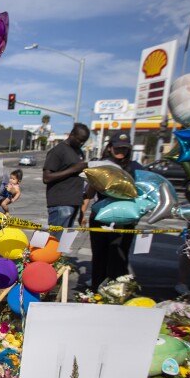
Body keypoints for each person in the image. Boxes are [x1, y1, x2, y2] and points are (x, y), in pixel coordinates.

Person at [79, 134, 144, 290]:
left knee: (119, 257)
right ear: (110, 148)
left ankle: (116, 290)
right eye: (117, 147)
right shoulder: (102, 166)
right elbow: (90, 190)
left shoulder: (136, 168)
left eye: (124, 148)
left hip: (125, 220)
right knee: (99, 255)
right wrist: (82, 212)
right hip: (100, 217)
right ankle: (97, 287)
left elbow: (143, 193)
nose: (121, 150)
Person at [43, 123, 90, 228]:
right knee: (56, 240)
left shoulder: (78, 151)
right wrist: (73, 169)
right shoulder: (58, 151)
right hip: (61, 203)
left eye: (84, 141)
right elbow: (46, 177)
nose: (81, 143)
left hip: (74, 201)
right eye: (79, 140)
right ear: (72, 134)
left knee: (64, 240)